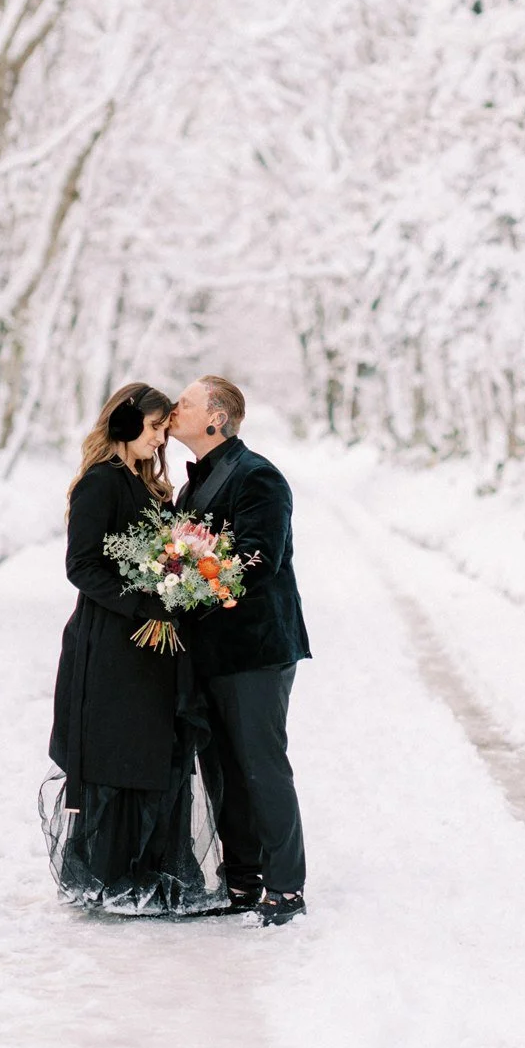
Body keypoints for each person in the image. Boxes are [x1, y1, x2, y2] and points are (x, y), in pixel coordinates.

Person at [43, 381, 223, 915]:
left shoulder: (150, 487)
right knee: (123, 754)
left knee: (158, 751)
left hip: (154, 651)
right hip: (112, 647)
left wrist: (178, 585)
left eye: (165, 427)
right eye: (154, 426)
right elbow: (81, 567)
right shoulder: (100, 484)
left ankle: (160, 874)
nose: (162, 436)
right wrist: (148, 606)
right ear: (124, 423)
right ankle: (117, 875)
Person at [170, 375, 311, 926]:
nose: (173, 409)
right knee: (223, 769)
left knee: (262, 765)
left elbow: (260, 560)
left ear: (216, 419)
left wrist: (189, 583)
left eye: (184, 403)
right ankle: (243, 879)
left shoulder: (259, 477)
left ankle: (287, 887)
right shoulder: (190, 487)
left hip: (257, 649)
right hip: (212, 651)